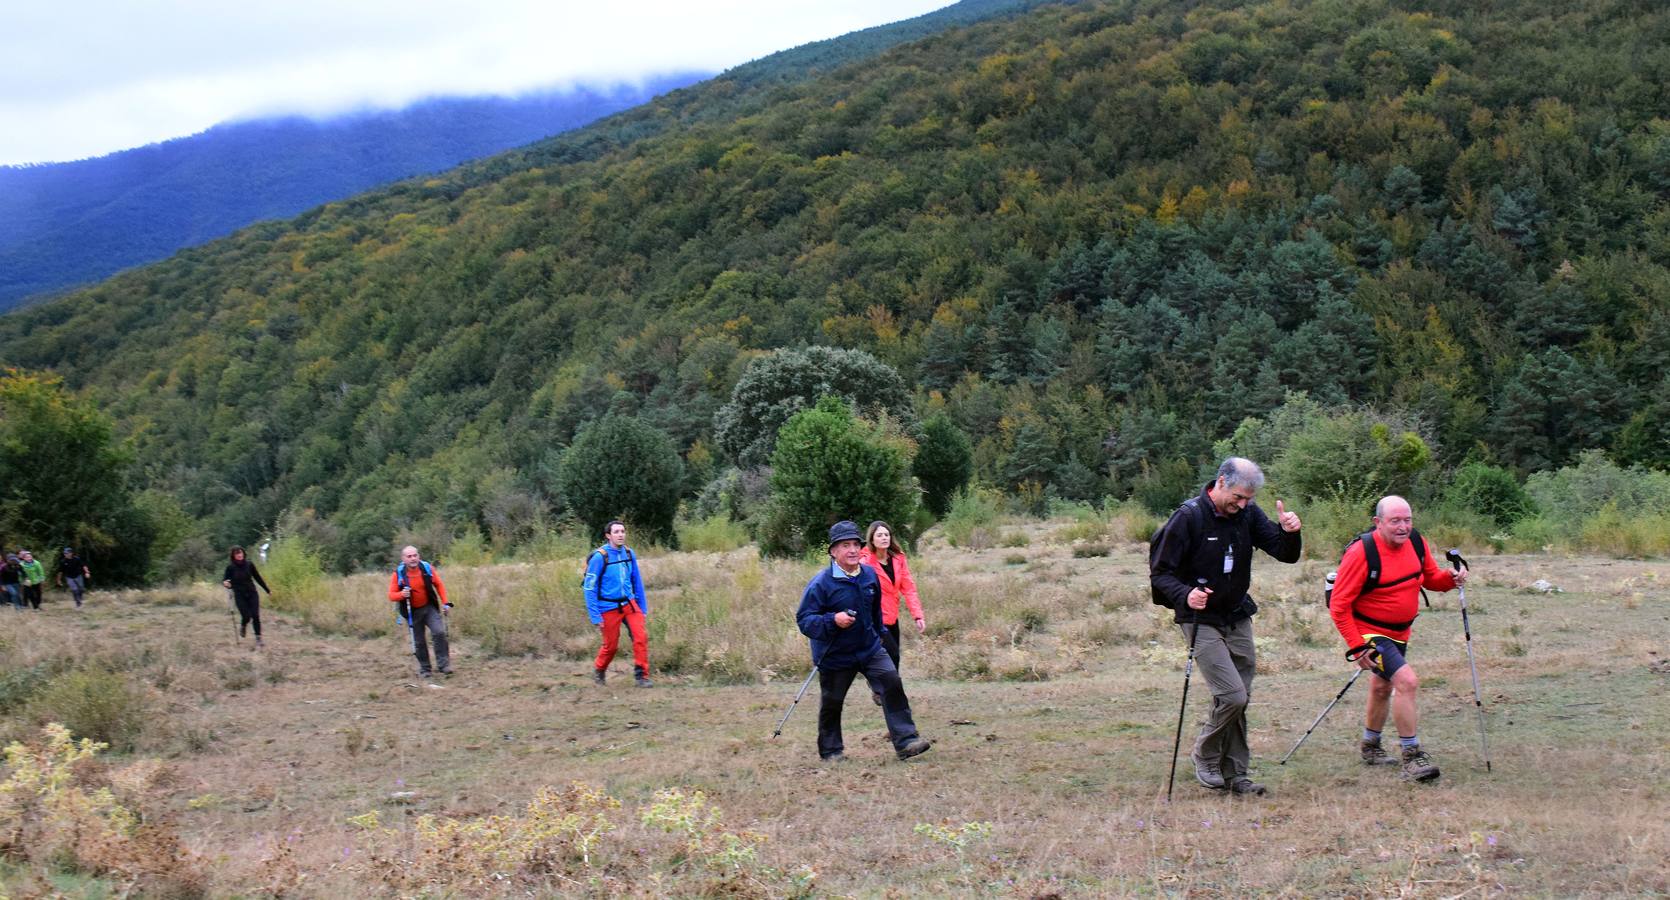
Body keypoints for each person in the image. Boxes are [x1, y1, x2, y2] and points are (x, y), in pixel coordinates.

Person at [1150, 457, 1301, 796]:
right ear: (1220, 482)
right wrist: (1186, 594)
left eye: (1248, 498)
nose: (1243, 504)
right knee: (1231, 694)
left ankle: (1236, 775)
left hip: (1237, 614)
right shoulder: (1188, 518)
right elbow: (1160, 574)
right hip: (1200, 619)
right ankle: (1205, 753)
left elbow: (1284, 553)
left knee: (1240, 697)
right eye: (1238, 497)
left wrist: (1290, 534)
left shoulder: (1247, 513)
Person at [1328, 495, 1466, 782]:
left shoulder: (1416, 542)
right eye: (1395, 521)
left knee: (1381, 687)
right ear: (1378, 523)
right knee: (1407, 682)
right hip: (1370, 632)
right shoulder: (1361, 553)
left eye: (1407, 520)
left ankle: (1371, 747)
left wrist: (1450, 579)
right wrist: (1357, 645)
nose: (1403, 527)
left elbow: (1430, 578)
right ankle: (1412, 757)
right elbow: (1339, 605)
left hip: (1401, 631)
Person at [795, 520, 932, 762]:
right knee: (833, 701)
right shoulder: (821, 583)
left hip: (869, 648)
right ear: (833, 551)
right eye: (845, 545)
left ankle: (906, 740)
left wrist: (879, 633)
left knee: (891, 682)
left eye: (855, 544)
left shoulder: (869, 574)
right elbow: (805, 620)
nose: (852, 550)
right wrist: (832, 620)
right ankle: (831, 752)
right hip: (835, 654)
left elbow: (875, 610)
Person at [859, 520, 924, 704]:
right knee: (891, 654)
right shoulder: (865, 562)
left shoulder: (898, 558)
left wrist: (917, 615)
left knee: (894, 657)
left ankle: (883, 689)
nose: (884, 538)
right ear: (872, 538)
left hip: (892, 616)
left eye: (886, 534)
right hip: (875, 618)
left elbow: (908, 588)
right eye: (879, 535)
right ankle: (884, 691)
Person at [583, 521, 652, 687]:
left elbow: (637, 580)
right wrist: (595, 615)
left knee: (640, 637)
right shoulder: (600, 557)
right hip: (608, 607)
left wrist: (642, 607)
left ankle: (641, 677)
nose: (620, 534)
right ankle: (599, 670)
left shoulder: (629, 553)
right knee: (611, 646)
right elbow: (589, 588)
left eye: (622, 531)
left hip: (630, 604)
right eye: (616, 532)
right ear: (608, 536)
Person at [387, 545, 452, 677]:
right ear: (403, 559)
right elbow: (391, 595)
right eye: (409, 556)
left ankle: (443, 665)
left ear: (419, 556)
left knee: (439, 632)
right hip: (412, 612)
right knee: (419, 641)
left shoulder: (427, 568)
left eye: (415, 555)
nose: (413, 558)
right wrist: (402, 595)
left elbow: (439, 584)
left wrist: (445, 603)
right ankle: (425, 669)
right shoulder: (398, 574)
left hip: (429, 607)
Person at [222, 546, 272, 647]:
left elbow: (258, 578)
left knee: (255, 615)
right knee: (246, 616)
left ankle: (258, 639)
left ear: (244, 553)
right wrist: (226, 583)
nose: (239, 555)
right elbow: (225, 580)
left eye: (241, 553)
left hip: (252, 593)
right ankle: (243, 625)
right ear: (233, 556)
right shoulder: (230, 568)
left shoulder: (249, 564)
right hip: (240, 595)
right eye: (237, 554)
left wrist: (267, 590)